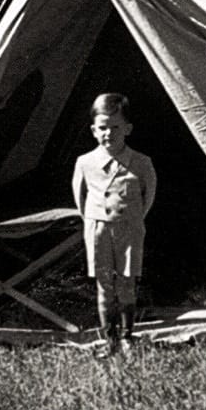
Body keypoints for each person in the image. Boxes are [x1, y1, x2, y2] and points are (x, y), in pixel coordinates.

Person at [72, 93, 157, 356]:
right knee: (104, 284)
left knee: (127, 282)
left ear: (128, 129)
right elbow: (80, 197)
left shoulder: (141, 163)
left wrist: (132, 218)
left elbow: (148, 196)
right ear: (93, 130)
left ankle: (128, 336)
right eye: (102, 127)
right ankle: (109, 339)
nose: (109, 133)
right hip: (98, 230)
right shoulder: (85, 163)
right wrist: (95, 219)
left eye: (115, 127)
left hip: (129, 227)